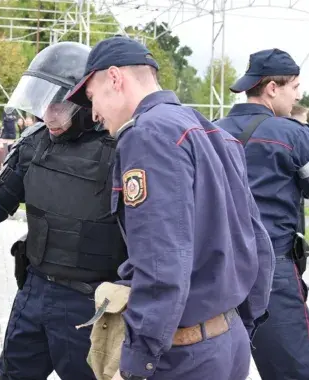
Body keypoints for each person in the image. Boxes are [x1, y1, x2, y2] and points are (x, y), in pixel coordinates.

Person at [66, 36, 275, 380]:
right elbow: (257, 241)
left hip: (182, 358)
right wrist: (241, 323)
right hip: (227, 343)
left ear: (115, 79)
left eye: (92, 97)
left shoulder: (147, 135)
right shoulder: (212, 132)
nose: (94, 113)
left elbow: (160, 262)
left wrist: (136, 362)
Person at [0, 41, 127, 380]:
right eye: (41, 103)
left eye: (58, 104)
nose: (48, 115)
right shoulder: (35, 142)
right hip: (34, 293)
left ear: (83, 99)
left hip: (92, 304)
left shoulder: (121, 147)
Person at [213, 48, 309, 380]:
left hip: (215, 272)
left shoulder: (209, 131)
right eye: (294, 87)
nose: (297, 95)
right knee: (293, 370)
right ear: (271, 87)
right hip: (272, 275)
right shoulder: (292, 135)